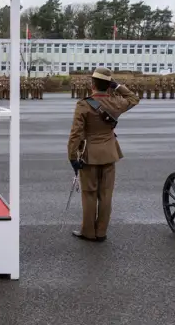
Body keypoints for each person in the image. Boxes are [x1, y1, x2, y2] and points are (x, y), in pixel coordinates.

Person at [67, 67, 139, 242]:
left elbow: (76, 134)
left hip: (89, 154)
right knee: (106, 194)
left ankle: (88, 232)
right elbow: (134, 98)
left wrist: (72, 157)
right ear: (109, 85)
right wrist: (118, 86)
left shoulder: (84, 105)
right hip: (109, 153)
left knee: (89, 193)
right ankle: (101, 232)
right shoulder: (116, 102)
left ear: (92, 84)